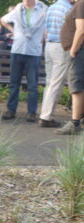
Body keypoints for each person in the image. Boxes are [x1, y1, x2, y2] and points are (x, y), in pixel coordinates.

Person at [1, 0, 48, 122]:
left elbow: (48, 25)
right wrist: (12, 30)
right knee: (14, 83)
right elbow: (3, 20)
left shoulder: (42, 10)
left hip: (33, 51)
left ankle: (31, 112)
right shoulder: (18, 10)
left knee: (32, 85)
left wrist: (44, 35)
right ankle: (11, 110)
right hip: (17, 49)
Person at [39, 0, 75, 127]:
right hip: (61, 47)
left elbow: (45, 28)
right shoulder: (69, 9)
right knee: (56, 83)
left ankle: (45, 114)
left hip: (49, 46)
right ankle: (46, 116)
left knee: (50, 82)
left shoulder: (52, 7)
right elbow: (71, 29)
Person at [56, 0, 84, 134]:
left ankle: (75, 123)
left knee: (76, 86)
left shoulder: (81, 4)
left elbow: (81, 29)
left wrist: (73, 49)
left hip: (79, 51)